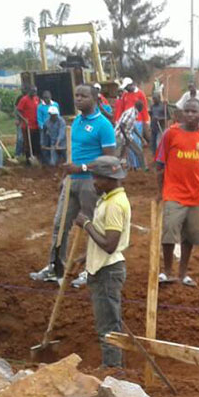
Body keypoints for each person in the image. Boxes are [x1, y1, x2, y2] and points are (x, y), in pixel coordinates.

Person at [30, 84, 117, 286]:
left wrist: (83, 168)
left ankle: (91, 270)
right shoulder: (76, 121)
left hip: (92, 183)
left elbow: (109, 161)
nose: (78, 99)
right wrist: (66, 177)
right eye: (76, 95)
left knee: (93, 227)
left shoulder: (104, 126)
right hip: (72, 182)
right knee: (60, 224)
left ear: (94, 98)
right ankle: (55, 267)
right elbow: (73, 155)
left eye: (83, 96)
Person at [73, 156, 131, 368]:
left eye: (97, 177)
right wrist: (87, 257)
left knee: (108, 325)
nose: (94, 182)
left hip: (108, 271)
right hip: (103, 268)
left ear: (109, 179)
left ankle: (112, 368)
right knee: (109, 322)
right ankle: (113, 366)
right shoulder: (108, 199)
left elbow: (110, 244)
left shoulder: (114, 205)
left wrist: (86, 224)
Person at [156, 98, 199, 287]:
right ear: (181, 113)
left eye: (194, 111)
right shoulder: (170, 134)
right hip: (173, 192)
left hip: (195, 194)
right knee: (169, 232)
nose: (190, 115)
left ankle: (183, 273)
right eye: (186, 111)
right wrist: (159, 191)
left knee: (190, 236)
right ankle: (167, 271)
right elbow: (160, 163)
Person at [115, 101, 146, 170]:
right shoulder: (131, 113)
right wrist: (126, 139)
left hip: (127, 136)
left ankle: (144, 169)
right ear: (140, 108)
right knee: (118, 155)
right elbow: (121, 125)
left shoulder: (134, 113)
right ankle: (117, 171)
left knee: (138, 152)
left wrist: (141, 138)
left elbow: (133, 127)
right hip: (120, 136)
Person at [16, 87, 41, 165]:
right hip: (27, 126)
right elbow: (18, 111)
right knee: (27, 144)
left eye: (35, 92)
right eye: (33, 92)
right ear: (30, 91)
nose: (34, 94)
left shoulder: (36, 99)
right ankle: (28, 161)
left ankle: (35, 158)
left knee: (35, 143)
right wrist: (23, 119)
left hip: (35, 125)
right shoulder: (24, 99)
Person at [149, 92, 168, 156]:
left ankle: (160, 157)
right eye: (153, 99)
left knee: (158, 143)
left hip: (160, 127)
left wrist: (160, 118)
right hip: (153, 127)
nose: (154, 100)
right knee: (152, 143)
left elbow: (168, 117)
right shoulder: (152, 106)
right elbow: (151, 116)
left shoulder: (164, 106)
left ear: (159, 98)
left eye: (155, 99)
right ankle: (155, 157)